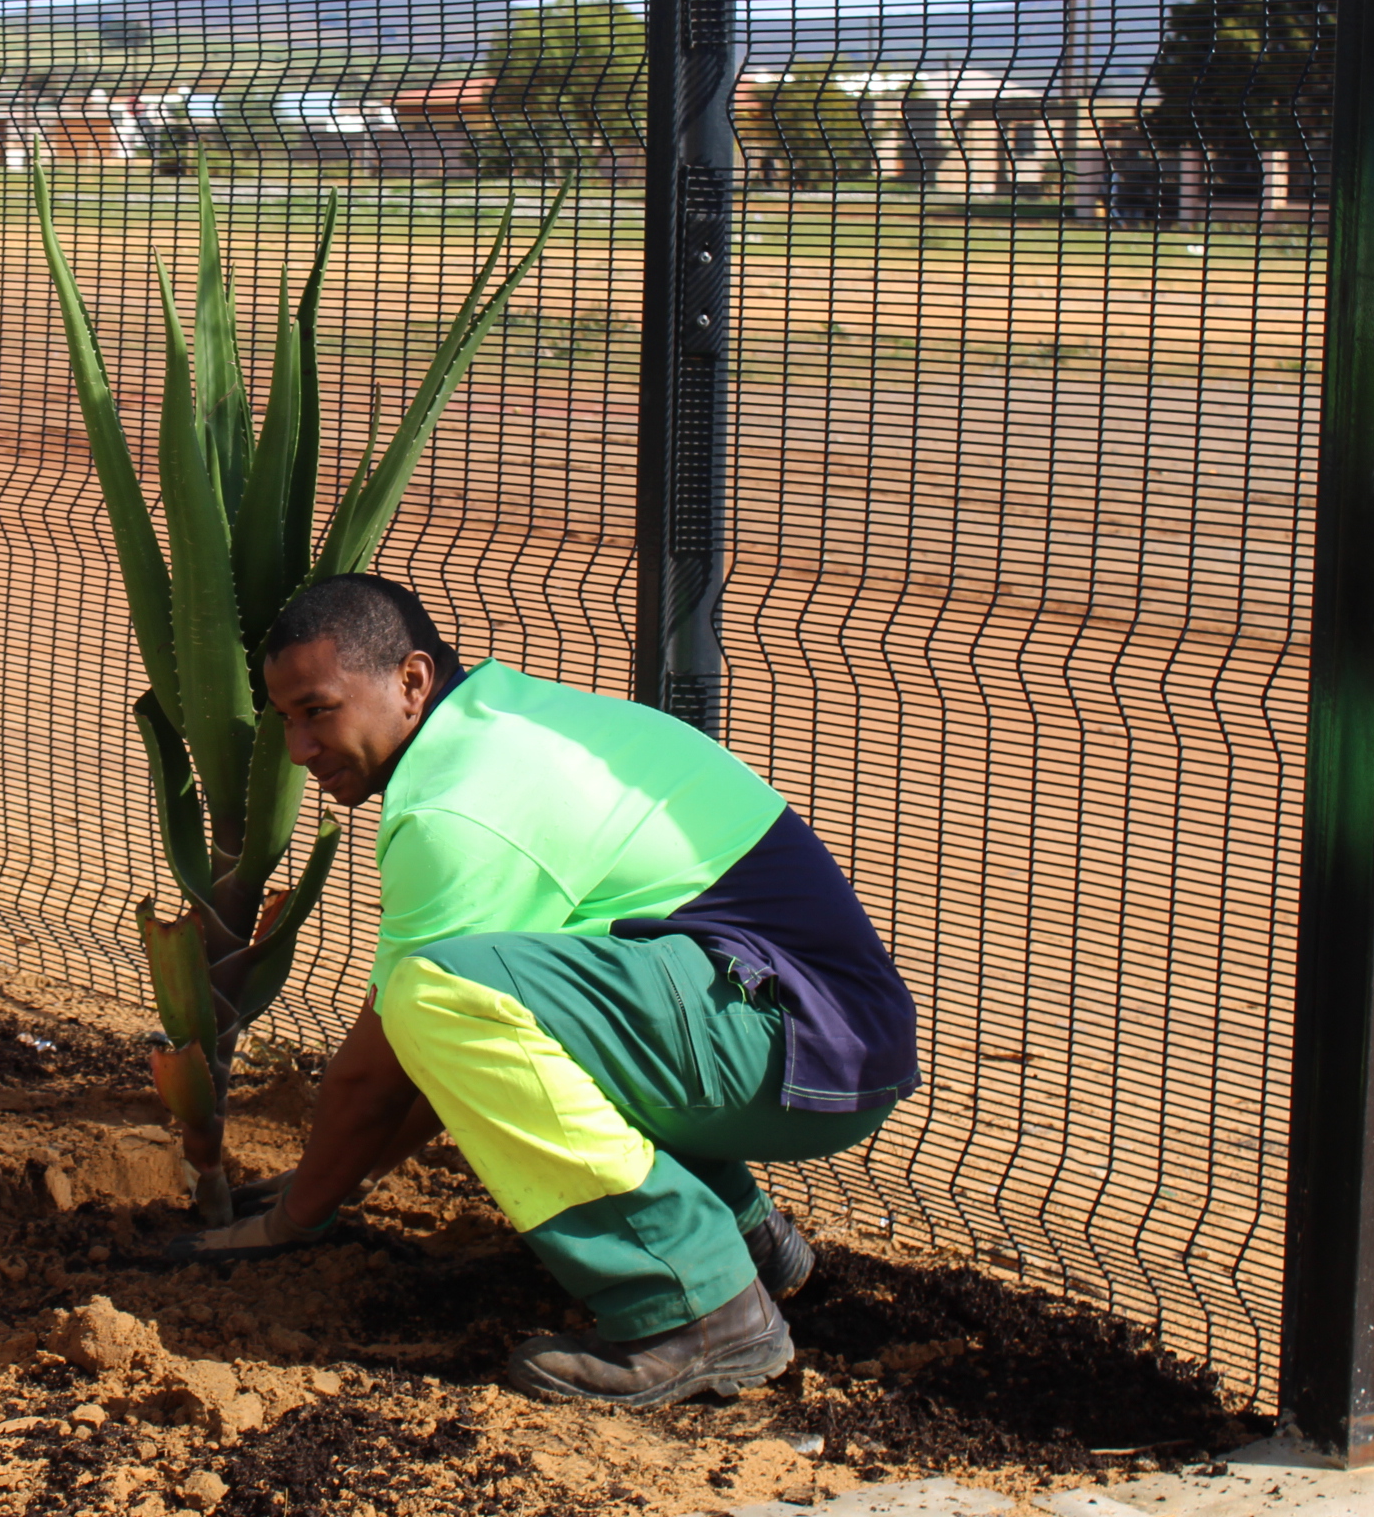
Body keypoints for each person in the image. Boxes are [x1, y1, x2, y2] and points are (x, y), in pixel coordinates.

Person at [172, 575, 918, 1408]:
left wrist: (291, 1222)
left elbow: (388, 1068)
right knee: (477, 1000)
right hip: (808, 1029)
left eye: (318, 710)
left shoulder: (459, 807)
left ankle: (694, 1307)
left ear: (411, 681)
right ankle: (747, 1236)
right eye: (286, 721)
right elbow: (456, 1059)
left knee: (434, 994)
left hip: (797, 1042)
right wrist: (333, 1179)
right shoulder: (502, 723)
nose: (300, 749)